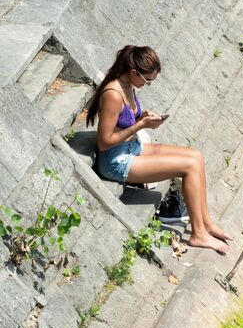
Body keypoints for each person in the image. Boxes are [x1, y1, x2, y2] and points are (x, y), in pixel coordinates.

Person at [86, 45, 233, 253]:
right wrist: (140, 125)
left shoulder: (128, 84)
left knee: (196, 157)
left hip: (132, 147)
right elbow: (104, 141)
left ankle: (206, 223)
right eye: (147, 81)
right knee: (189, 167)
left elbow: (123, 120)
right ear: (134, 72)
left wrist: (142, 116)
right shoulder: (113, 94)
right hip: (116, 161)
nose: (146, 85)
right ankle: (198, 234)